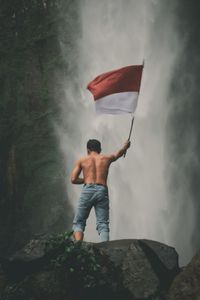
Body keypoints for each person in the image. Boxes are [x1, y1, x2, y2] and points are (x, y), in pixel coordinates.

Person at [71, 139, 131, 242]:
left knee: (79, 223)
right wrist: (125, 147)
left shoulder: (82, 160)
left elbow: (73, 179)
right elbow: (118, 154)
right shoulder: (106, 158)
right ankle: (105, 248)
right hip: (102, 190)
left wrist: (86, 179)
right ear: (100, 149)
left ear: (88, 150)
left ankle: (78, 247)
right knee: (103, 224)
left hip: (87, 190)